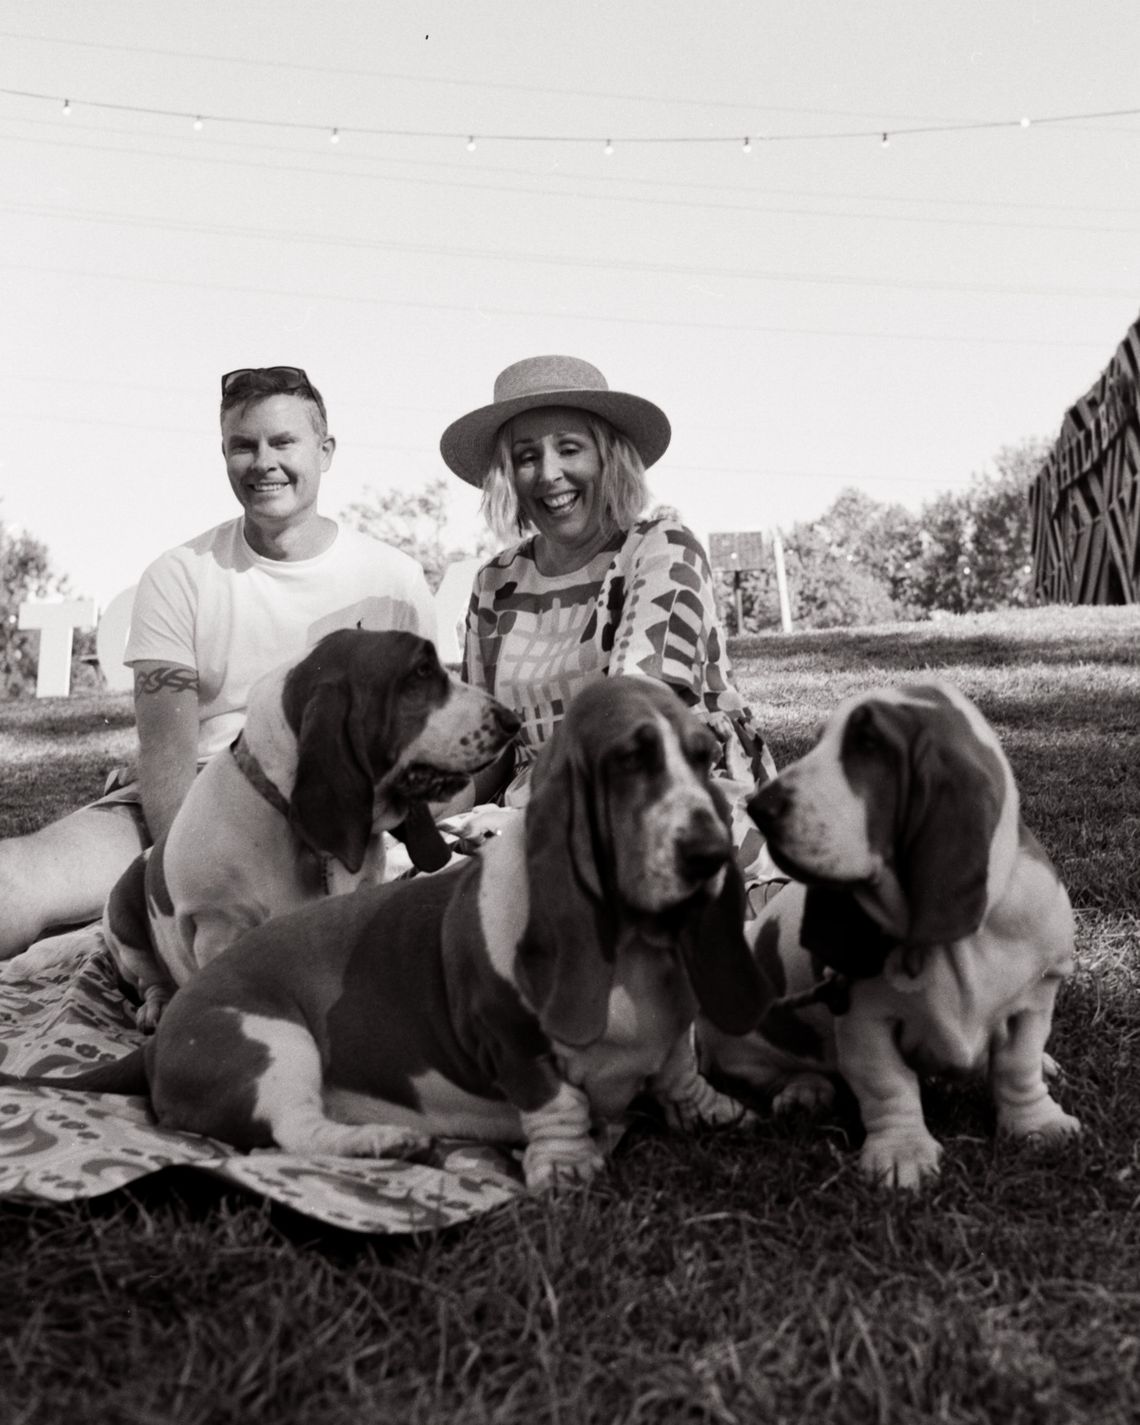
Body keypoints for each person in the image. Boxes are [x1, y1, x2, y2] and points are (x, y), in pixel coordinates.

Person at [0, 365, 435, 958]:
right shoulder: (179, 574)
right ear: (224, 454)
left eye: (283, 442)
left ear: (325, 451)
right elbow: (168, 763)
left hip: (343, 806)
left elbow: (422, 747)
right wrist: (206, 872)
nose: (263, 463)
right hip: (202, 798)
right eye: (243, 446)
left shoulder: (394, 579)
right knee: (24, 876)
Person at [438, 353, 781, 908]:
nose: (549, 474)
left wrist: (525, 831)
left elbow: (636, 730)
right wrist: (427, 816)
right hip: (531, 809)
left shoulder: (661, 549)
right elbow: (490, 747)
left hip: (670, 801)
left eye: (569, 448)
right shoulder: (495, 582)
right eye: (526, 457)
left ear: (608, 456)